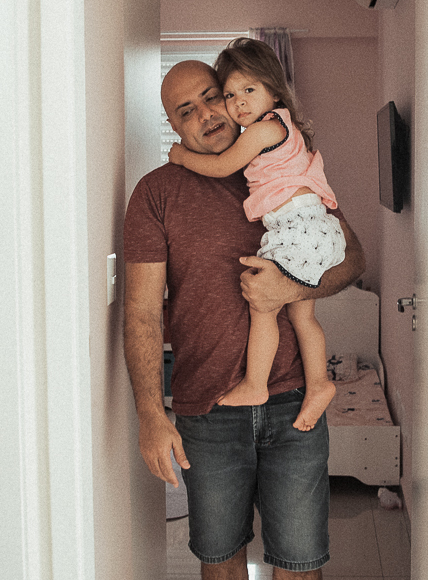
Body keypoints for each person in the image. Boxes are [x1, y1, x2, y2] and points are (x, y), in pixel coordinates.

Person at [124, 57, 365, 580]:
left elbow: (353, 258)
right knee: (220, 561)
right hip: (205, 410)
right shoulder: (155, 193)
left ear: (235, 98)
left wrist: (291, 286)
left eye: (212, 96)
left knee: (300, 565)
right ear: (172, 126)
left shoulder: (278, 163)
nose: (206, 114)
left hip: (294, 404)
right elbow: (141, 313)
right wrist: (149, 415)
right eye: (185, 110)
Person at [167, 38, 342, 431]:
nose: (239, 103)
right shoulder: (283, 128)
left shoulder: (265, 129)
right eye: (231, 94)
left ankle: (255, 383)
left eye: (249, 90)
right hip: (312, 225)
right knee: (303, 318)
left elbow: (223, 165)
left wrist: (180, 156)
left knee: (263, 306)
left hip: (296, 228)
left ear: (274, 90)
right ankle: (319, 384)